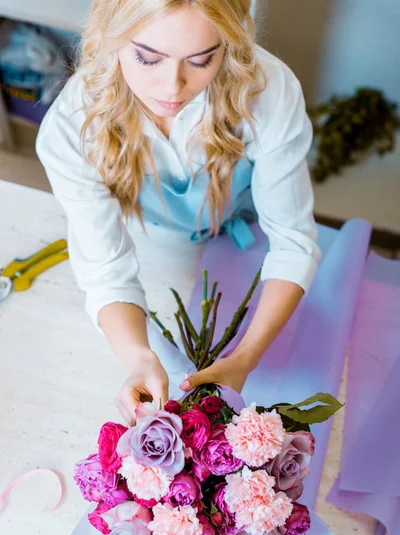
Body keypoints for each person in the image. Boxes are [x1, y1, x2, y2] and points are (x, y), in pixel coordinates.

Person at [36, 0, 321, 425]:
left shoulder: (269, 90)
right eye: (148, 58)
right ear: (110, 34)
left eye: (202, 60)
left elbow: (294, 242)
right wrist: (137, 356)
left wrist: (244, 358)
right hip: (151, 243)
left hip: (242, 231)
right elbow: (106, 272)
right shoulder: (72, 127)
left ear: (230, 42)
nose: (172, 88)